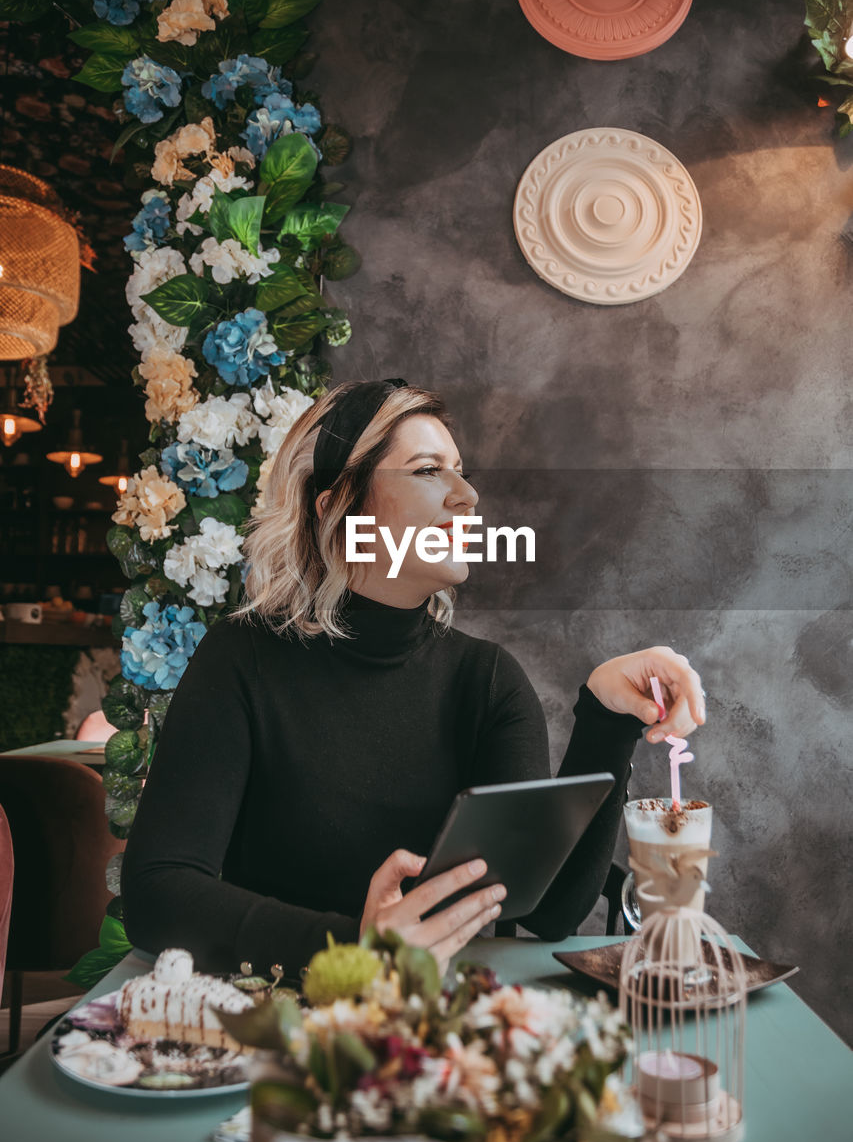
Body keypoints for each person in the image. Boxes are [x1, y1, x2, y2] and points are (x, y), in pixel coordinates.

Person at [122, 379, 705, 978]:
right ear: (338, 506)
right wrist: (351, 950)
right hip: (279, 1028)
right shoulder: (241, 659)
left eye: (461, 471)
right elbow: (156, 892)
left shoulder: (488, 681)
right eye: (428, 471)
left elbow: (549, 910)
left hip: (441, 1035)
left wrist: (606, 721)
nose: (468, 497)